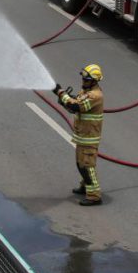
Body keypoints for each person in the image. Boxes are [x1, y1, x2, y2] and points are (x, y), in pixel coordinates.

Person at [54, 64, 104, 206]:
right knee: (80, 163)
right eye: (83, 79)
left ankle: (94, 196)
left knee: (87, 166)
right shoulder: (86, 90)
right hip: (83, 135)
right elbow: (75, 104)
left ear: (94, 81)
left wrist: (60, 93)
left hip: (89, 137)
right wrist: (66, 99)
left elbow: (77, 106)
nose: (83, 82)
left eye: (87, 80)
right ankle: (85, 186)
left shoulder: (95, 95)